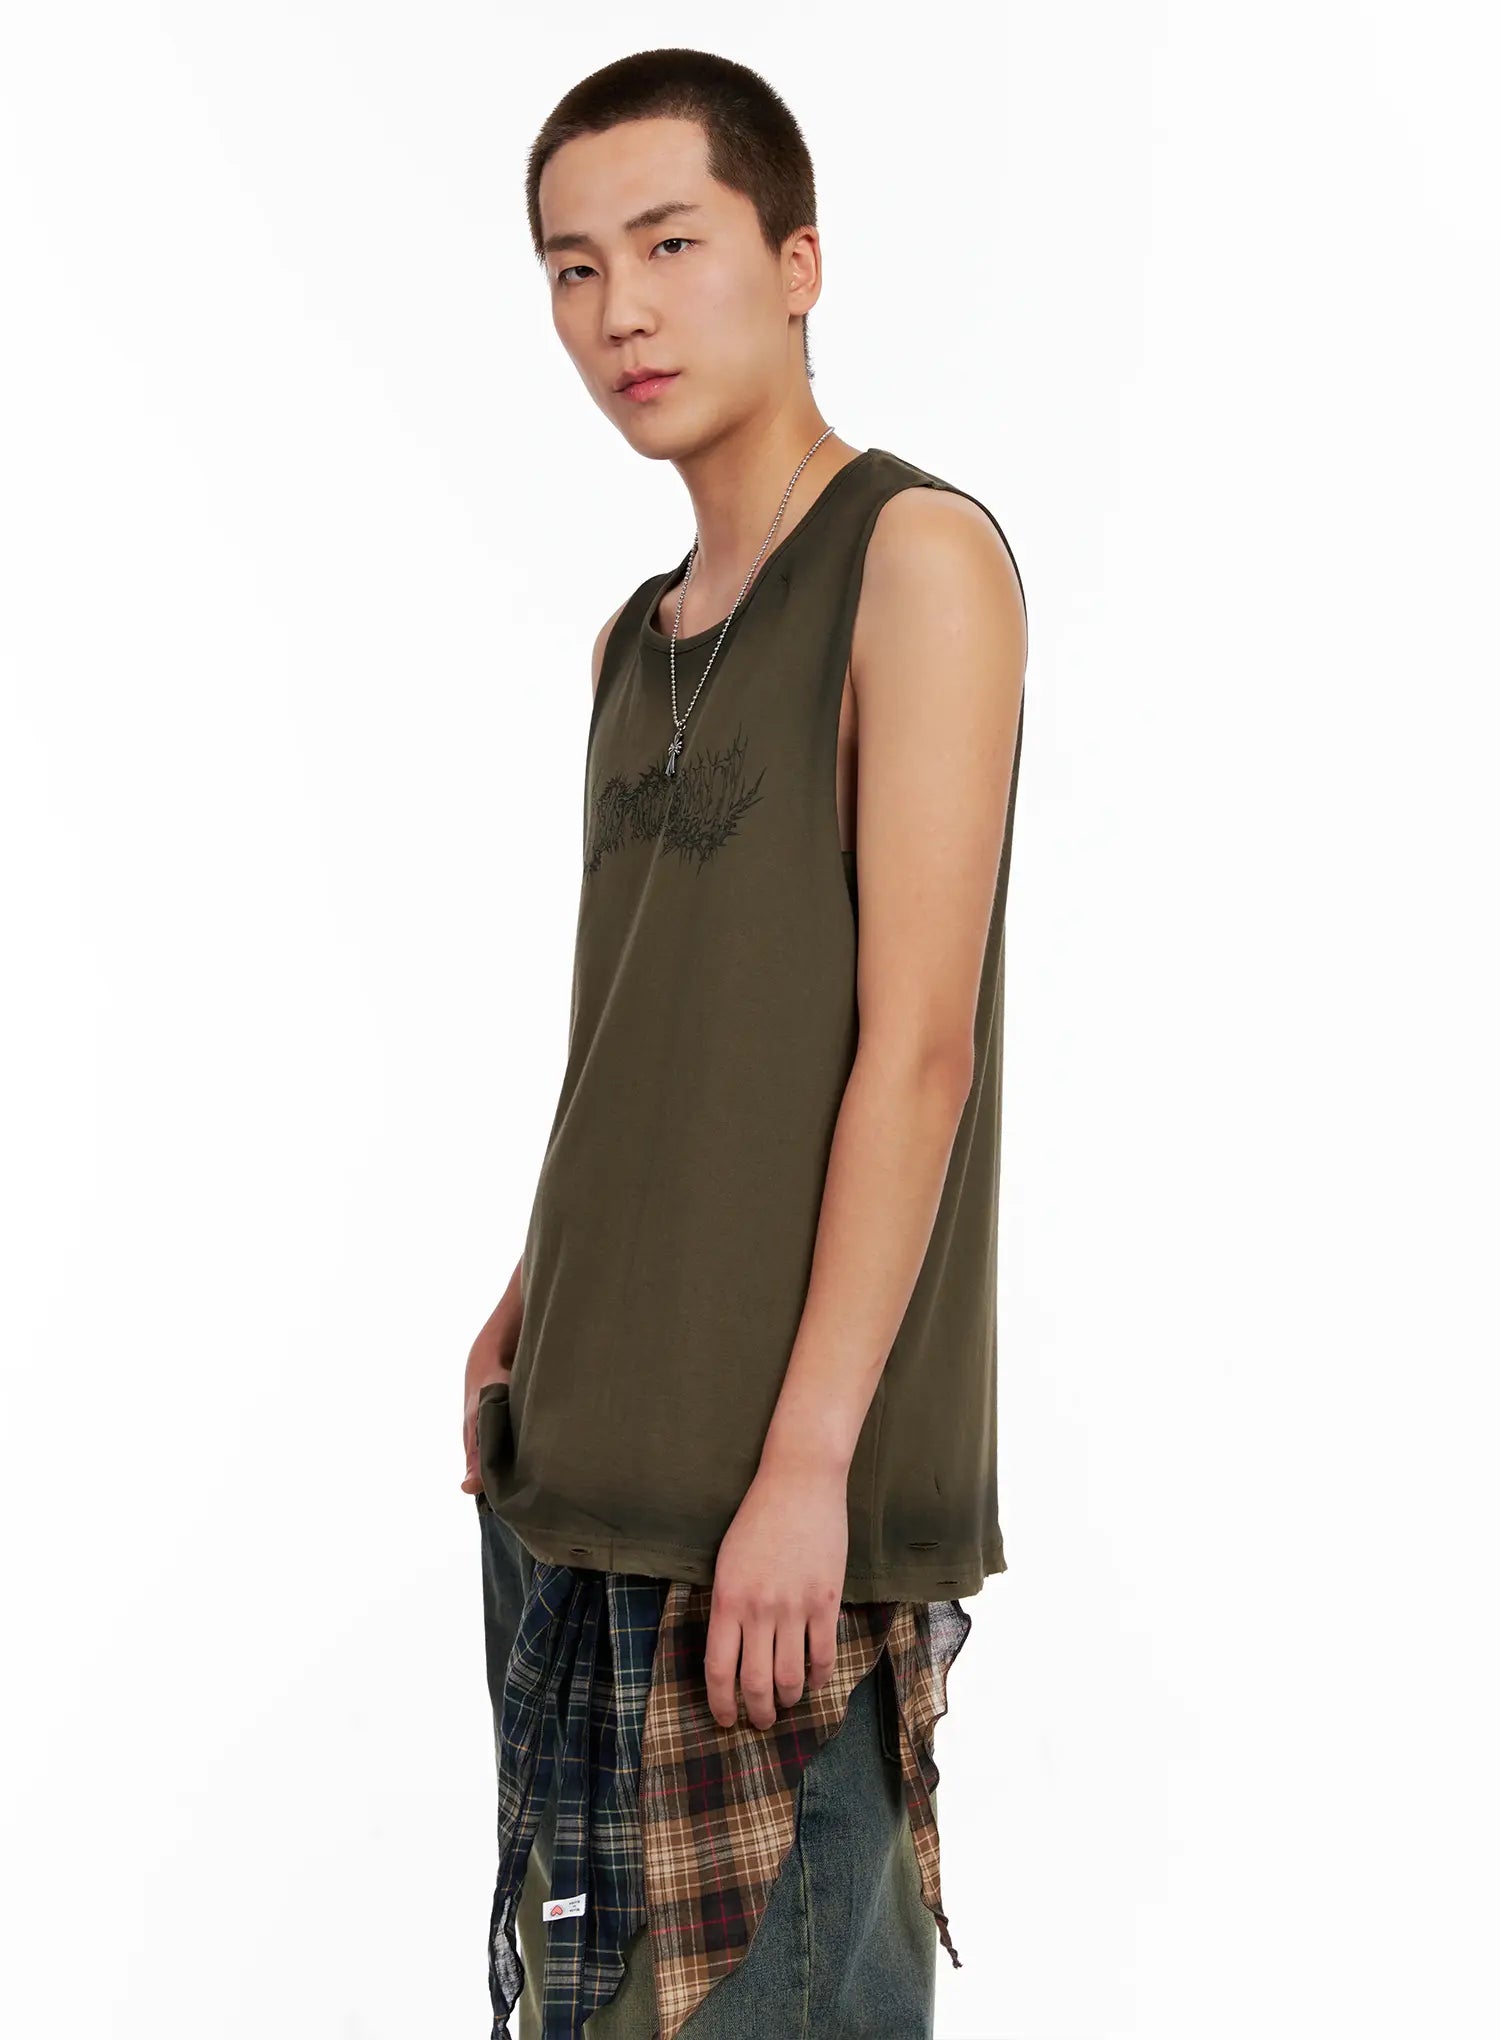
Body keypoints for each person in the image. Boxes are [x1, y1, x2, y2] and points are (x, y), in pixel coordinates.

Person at [460, 46, 1027, 2040]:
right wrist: (530, 1299)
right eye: (571, 267)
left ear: (797, 263)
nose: (617, 308)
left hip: (773, 1519)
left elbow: (920, 1049)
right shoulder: (634, 640)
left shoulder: (913, 560)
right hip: (567, 1482)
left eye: (669, 244)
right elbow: (646, 1024)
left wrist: (806, 1473)